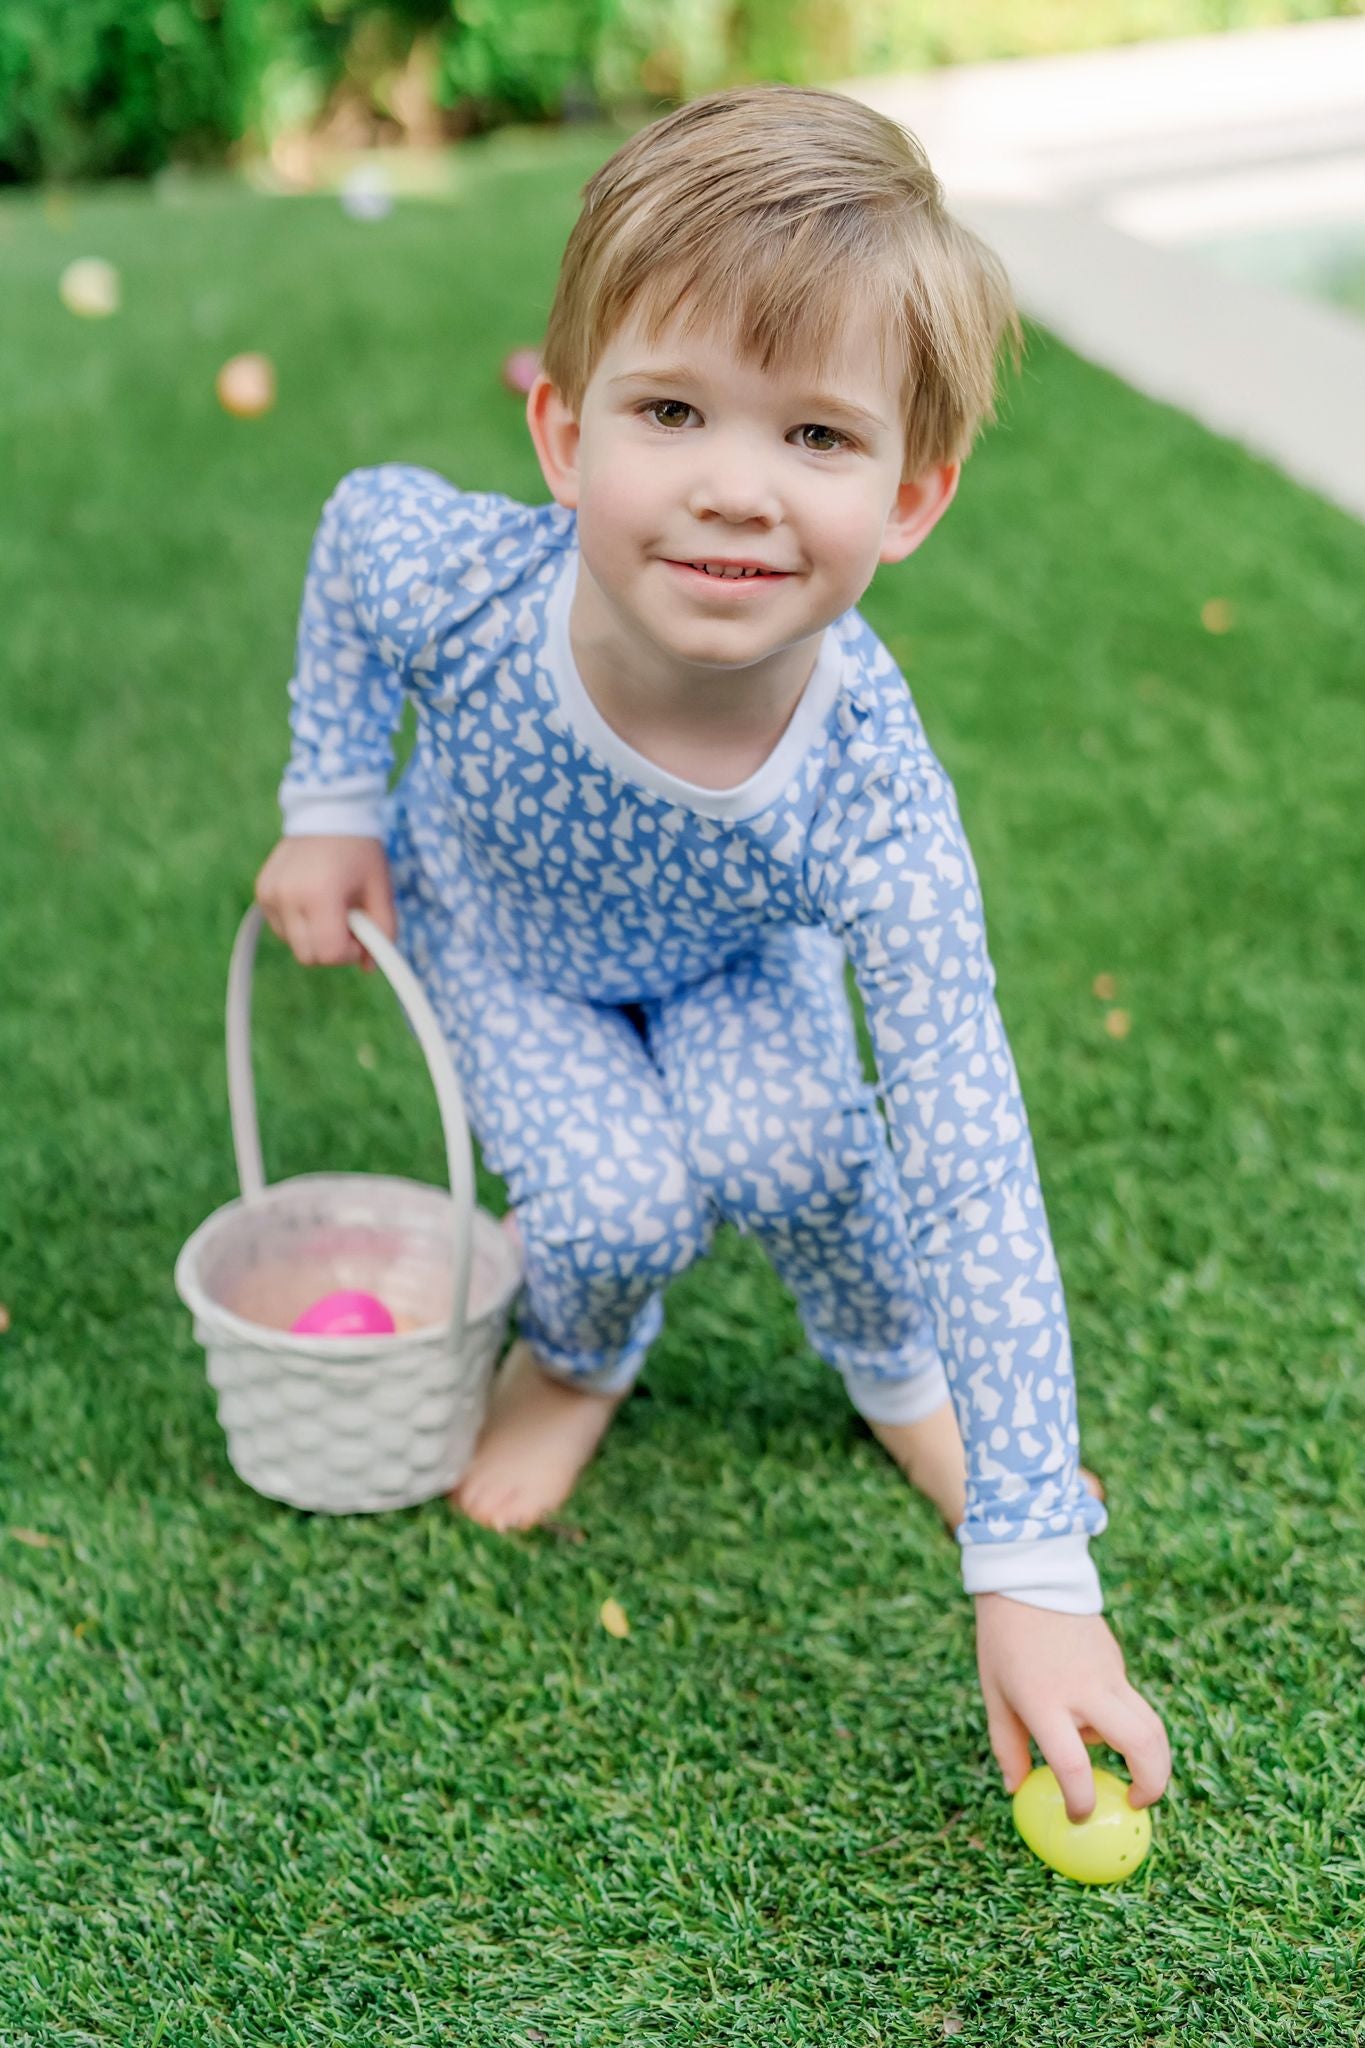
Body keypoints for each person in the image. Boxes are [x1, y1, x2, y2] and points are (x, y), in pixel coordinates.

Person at [255, 84, 1171, 1821]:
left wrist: (1034, 1560)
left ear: (910, 496)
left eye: (816, 439)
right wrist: (328, 800)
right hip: (507, 942)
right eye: (670, 410)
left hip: (729, 959)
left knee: (817, 1153)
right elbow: (356, 533)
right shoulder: (460, 581)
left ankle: (896, 1378)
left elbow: (964, 1134)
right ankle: (580, 1357)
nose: (735, 489)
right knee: (608, 1212)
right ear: (561, 435)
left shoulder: (868, 782)